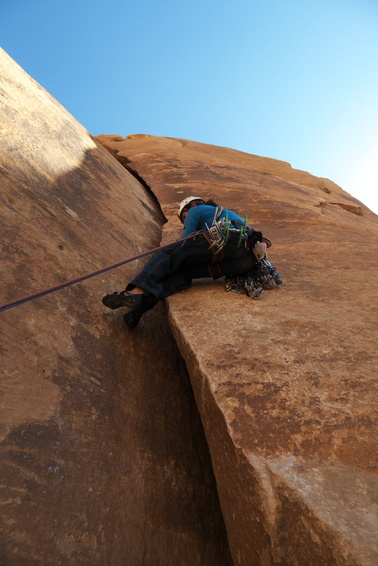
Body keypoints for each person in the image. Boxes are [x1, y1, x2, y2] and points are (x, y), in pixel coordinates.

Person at [102, 196, 266, 328]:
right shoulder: (226, 214)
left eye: (184, 218)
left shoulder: (198, 210)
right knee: (183, 273)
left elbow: (185, 242)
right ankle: (137, 311)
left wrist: (181, 244)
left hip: (226, 240)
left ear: (193, 205)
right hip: (246, 260)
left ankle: (134, 292)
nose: (186, 222)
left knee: (169, 252)